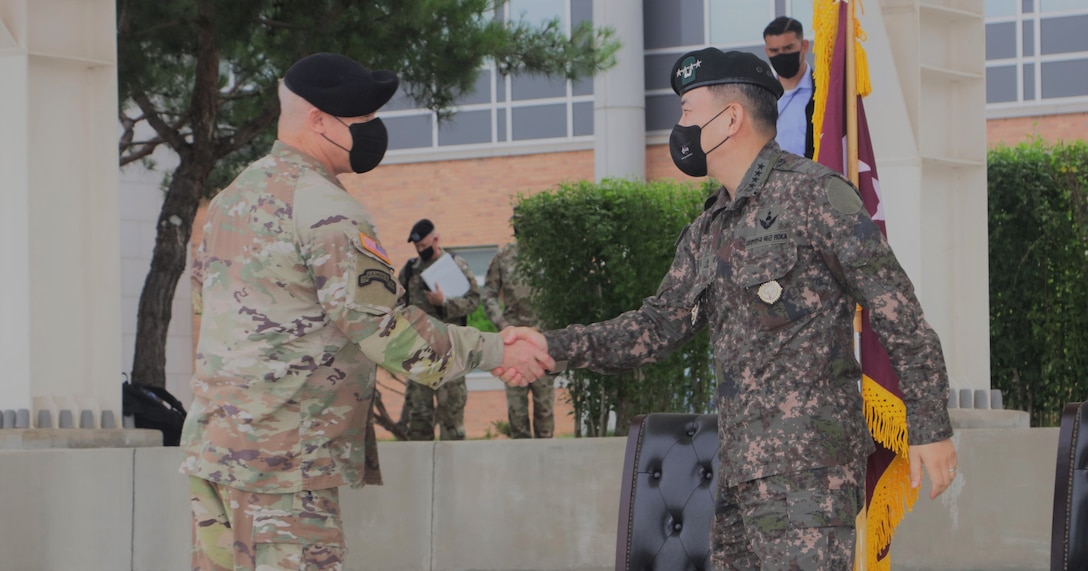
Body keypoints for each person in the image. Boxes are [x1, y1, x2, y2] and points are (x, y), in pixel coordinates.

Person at [501, 48, 958, 569]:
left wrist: (929, 425)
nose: (681, 127)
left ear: (731, 117)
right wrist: (550, 347)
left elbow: (896, 309)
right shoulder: (709, 227)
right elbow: (656, 327)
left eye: (688, 112)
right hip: (739, 475)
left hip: (807, 475)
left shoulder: (813, 194)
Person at [180, 52, 552, 571]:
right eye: (361, 120)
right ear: (317, 120)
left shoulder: (228, 201)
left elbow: (206, 305)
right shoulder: (324, 206)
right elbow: (385, 330)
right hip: (285, 467)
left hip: (219, 455)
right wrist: (497, 346)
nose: (374, 130)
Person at [396, 219, 480, 441]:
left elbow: (474, 301)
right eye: (417, 247)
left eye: (424, 245)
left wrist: (444, 302)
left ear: (436, 239)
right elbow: (396, 305)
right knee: (419, 420)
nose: (420, 250)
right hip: (419, 355)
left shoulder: (455, 265)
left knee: (451, 422)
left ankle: (453, 473)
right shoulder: (410, 271)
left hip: (450, 354)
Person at [483, 232, 555, 439]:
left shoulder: (547, 255)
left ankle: (545, 460)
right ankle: (522, 463)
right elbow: (488, 294)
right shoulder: (503, 256)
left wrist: (546, 328)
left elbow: (558, 297)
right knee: (517, 412)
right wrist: (503, 325)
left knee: (545, 410)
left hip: (543, 341)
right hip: (513, 343)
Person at [764, 16, 815, 158]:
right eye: (774, 50)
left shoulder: (823, 93)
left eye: (788, 48)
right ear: (766, 51)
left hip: (813, 176)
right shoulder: (760, 94)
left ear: (804, 46)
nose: (781, 55)